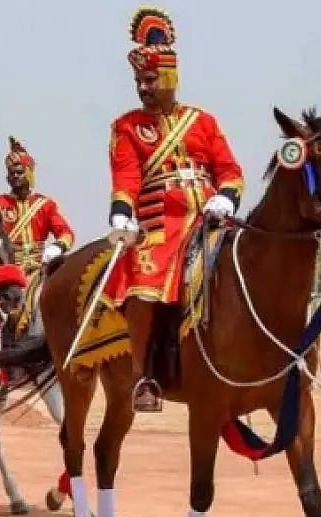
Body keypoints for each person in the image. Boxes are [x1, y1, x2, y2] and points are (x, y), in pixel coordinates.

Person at [105, 5, 245, 412]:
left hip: (210, 216)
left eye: (150, 80)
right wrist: (120, 212)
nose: (143, 89)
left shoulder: (203, 122)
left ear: (169, 76)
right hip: (160, 223)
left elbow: (230, 169)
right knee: (145, 279)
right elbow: (126, 177)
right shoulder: (127, 126)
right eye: (138, 81)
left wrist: (226, 196)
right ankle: (142, 375)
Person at [0, 137, 76, 276]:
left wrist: (57, 247)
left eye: (20, 172)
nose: (15, 176)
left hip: (40, 266)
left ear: (29, 174)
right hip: (9, 269)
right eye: (11, 173)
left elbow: (67, 234)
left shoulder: (45, 205)